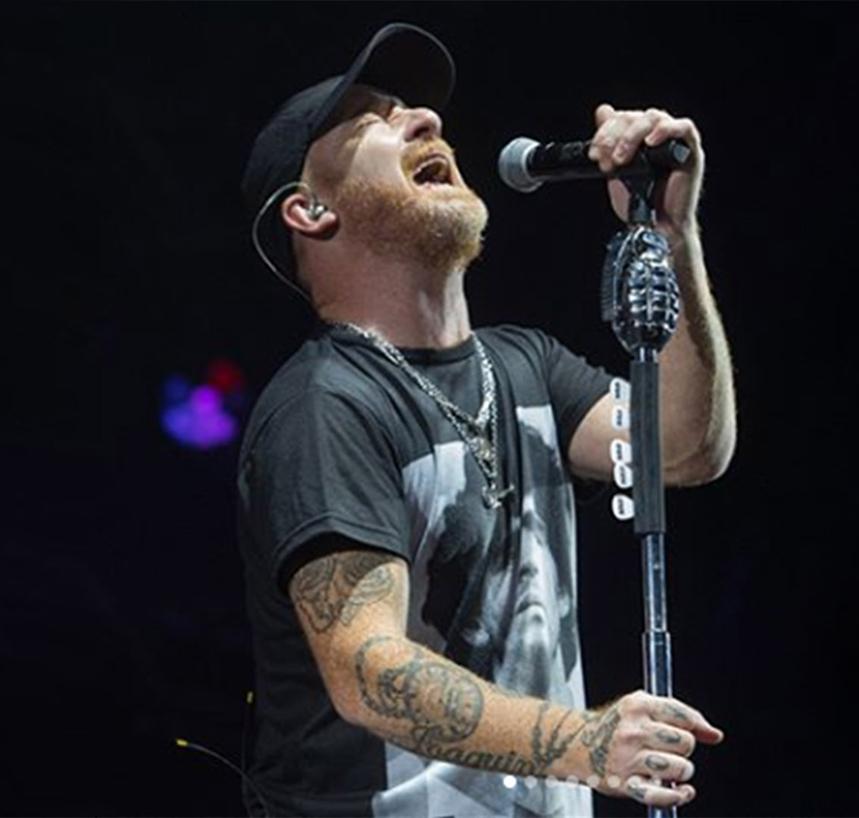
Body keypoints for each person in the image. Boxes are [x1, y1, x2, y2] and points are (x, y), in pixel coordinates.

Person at [236, 22, 736, 818]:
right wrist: (587, 742)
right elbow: (369, 671)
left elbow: (683, 448)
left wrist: (670, 235)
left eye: (417, 109)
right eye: (372, 119)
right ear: (309, 209)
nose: (428, 120)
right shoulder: (326, 404)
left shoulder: (525, 367)